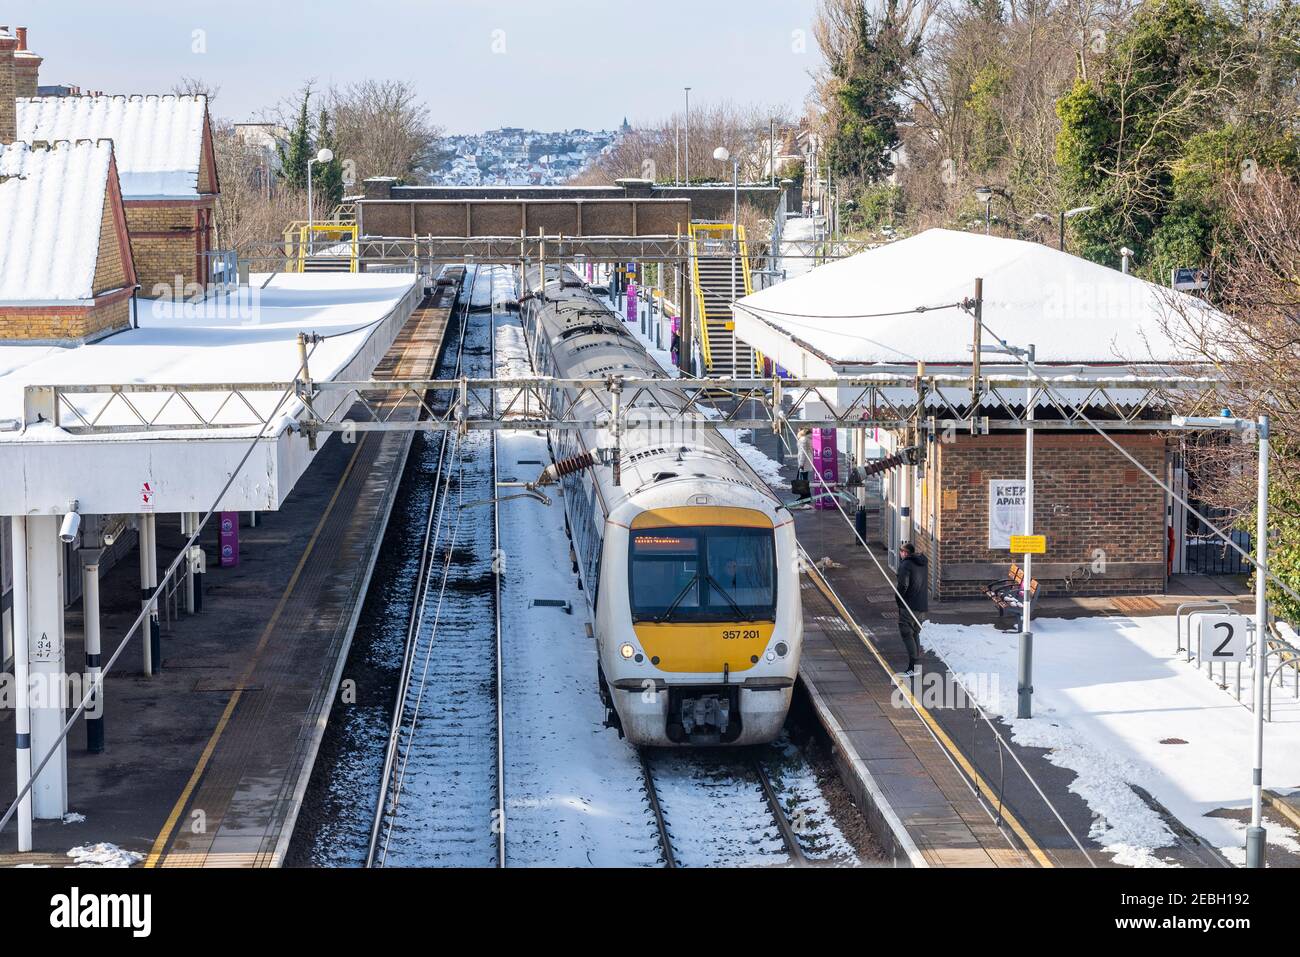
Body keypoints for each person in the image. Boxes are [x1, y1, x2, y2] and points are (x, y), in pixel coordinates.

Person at [895, 543, 929, 675]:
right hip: (921, 606)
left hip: (908, 605)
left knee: (906, 633)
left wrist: (899, 599)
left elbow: (903, 585)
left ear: (904, 553)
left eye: (901, 551)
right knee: (915, 633)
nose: (900, 554)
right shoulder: (923, 563)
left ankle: (912, 667)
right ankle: (916, 667)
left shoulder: (905, 565)